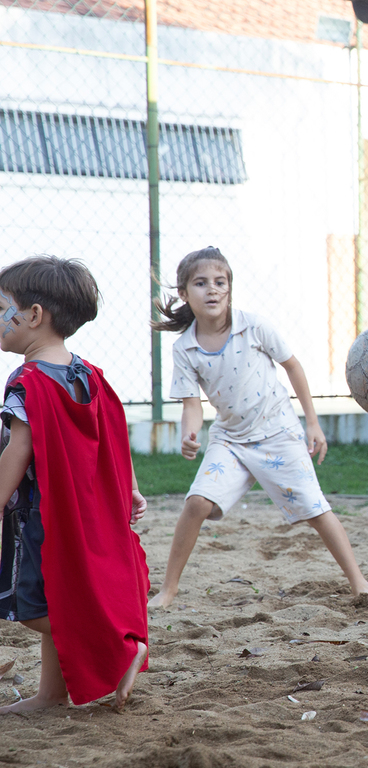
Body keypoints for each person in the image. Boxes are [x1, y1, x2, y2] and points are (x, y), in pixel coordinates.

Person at [148, 248, 368, 607]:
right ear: (185, 293)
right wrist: (189, 435)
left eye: (220, 282)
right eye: (201, 283)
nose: (212, 290)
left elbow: (293, 366)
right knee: (196, 504)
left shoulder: (254, 326)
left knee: (316, 511)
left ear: (230, 289)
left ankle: (359, 581)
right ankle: (168, 589)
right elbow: (192, 406)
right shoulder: (184, 348)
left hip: (279, 433)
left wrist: (311, 423)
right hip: (231, 441)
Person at [0, 257, 149, 712]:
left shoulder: (27, 381)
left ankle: (119, 645)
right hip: (83, 510)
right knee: (57, 593)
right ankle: (50, 695)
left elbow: (17, 450)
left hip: (41, 515)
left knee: (31, 609)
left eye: (2, 307)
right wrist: (132, 489)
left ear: (34, 316)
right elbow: (113, 437)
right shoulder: (88, 373)